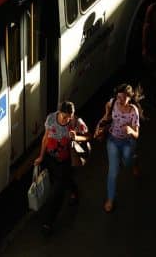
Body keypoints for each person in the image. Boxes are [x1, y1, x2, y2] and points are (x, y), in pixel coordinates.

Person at [34, 101, 89, 234]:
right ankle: (75, 192)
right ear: (59, 112)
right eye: (64, 117)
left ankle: (48, 222)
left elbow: (88, 136)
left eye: (69, 117)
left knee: (57, 193)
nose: (66, 120)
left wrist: (77, 137)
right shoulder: (51, 118)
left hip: (65, 162)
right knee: (65, 181)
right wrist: (41, 156)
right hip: (50, 158)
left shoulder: (75, 122)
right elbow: (45, 138)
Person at [96, 83, 144, 213]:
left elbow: (137, 134)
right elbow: (107, 109)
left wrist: (130, 130)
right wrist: (106, 116)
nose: (120, 100)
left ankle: (134, 161)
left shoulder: (133, 111)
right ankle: (110, 199)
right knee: (113, 171)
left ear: (129, 97)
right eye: (118, 97)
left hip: (128, 142)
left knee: (127, 162)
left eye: (123, 98)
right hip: (113, 140)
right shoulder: (113, 103)